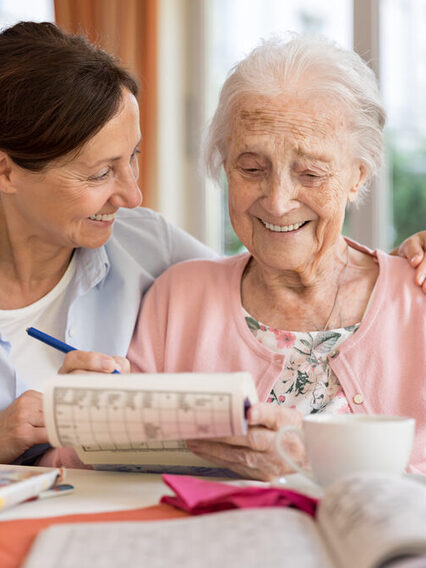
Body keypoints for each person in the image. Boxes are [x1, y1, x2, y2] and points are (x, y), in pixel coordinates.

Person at [2, 24, 423, 470]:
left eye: (311, 174)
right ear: (223, 166)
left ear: (359, 174)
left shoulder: (417, 294)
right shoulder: (178, 295)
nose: (278, 202)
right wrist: (88, 418)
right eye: (250, 168)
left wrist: (315, 463)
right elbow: (93, 465)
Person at [0, 21, 217, 465]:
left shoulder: (146, 242)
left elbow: (264, 291)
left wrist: (390, 266)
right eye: (100, 173)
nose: (132, 196)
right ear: (6, 172)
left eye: (132, 156)